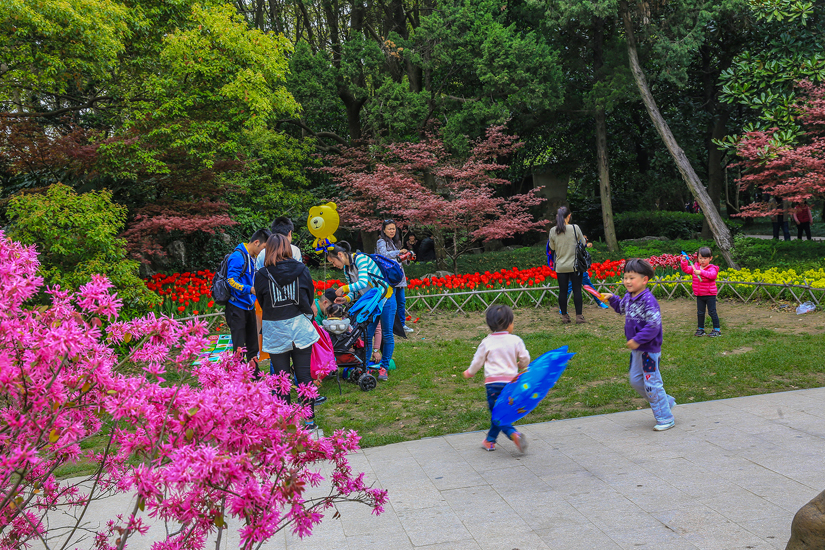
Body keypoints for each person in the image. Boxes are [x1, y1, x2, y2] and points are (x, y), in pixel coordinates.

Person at [253, 234, 319, 428]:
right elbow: (309, 296)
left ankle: (286, 421)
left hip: (275, 329)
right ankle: (309, 419)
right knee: (304, 376)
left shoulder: (261, 275)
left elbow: (262, 301)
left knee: (281, 378)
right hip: (299, 327)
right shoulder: (302, 270)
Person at [603, 259, 676, 431]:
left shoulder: (648, 300)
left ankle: (665, 418)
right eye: (625, 277)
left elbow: (653, 325)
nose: (627, 281)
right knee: (636, 381)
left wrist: (637, 339)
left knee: (652, 384)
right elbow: (621, 308)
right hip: (637, 350)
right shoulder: (629, 297)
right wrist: (612, 298)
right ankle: (665, 401)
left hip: (648, 351)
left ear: (644, 280)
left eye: (632, 278)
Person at [462, 305, 529, 453]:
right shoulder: (516, 340)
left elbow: (477, 361)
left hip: (493, 385)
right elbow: (525, 358)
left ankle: (513, 434)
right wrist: (521, 365)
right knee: (501, 411)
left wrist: (470, 372)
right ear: (509, 323)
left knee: (497, 413)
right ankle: (490, 440)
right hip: (511, 384)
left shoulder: (486, 342)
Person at [327, 241, 395, 381]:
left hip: (385, 298)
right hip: (371, 303)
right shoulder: (347, 269)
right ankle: (365, 367)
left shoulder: (361, 259)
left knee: (387, 334)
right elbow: (356, 291)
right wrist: (345, 298)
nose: (334, 265)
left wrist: (344, 288)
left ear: (340, 255)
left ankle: (384, 367)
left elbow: (363, 282)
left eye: (333, 261)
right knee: (366, 335)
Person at [225, 228, 270, 366]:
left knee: (253, 345)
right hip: (236, 306)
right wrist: (250, 289)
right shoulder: (237, 257)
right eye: (264, 248)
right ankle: (238, 375)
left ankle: (254, 374)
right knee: (239, 347)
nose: (264, 252)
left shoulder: (253, 258)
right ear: (256, 242)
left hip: (249, 306)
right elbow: (231, 281)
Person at [548, 206, 589, 324]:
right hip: (575, 265)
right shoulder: (575, 228)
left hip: (561, 266)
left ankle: (565, 316)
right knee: (577, 290)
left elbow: (552, 247)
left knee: (563, 291)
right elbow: (583, 243)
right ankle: (579, 317)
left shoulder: (553, 230)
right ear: (569, 216)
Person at [376, 219, 414, 333]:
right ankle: (390, 326)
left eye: (394, 229)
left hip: (399, 277)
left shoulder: (395, 242)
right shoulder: (381, 241)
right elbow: (383, 255)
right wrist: (399, 252)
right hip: (389, 277)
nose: (392, 231)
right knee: (391, 304)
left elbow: (399, 259)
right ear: (384, 230)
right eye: (389, 229)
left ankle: (402, 325)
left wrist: (408, 257)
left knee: (401, 302)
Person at [681, 247, 721, 337]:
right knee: (700, 313)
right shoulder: (695, 267)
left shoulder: (712, 268)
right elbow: (686, 269)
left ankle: (717, 330)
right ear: (697, 258)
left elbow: (713, 276)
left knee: (712, 312)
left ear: (710, 258)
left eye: (705, 258)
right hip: (699, 294)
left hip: (710, 294)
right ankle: (701, 329)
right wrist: (684, 262)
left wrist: (701, 272)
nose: (702, 260)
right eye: (700, 258)